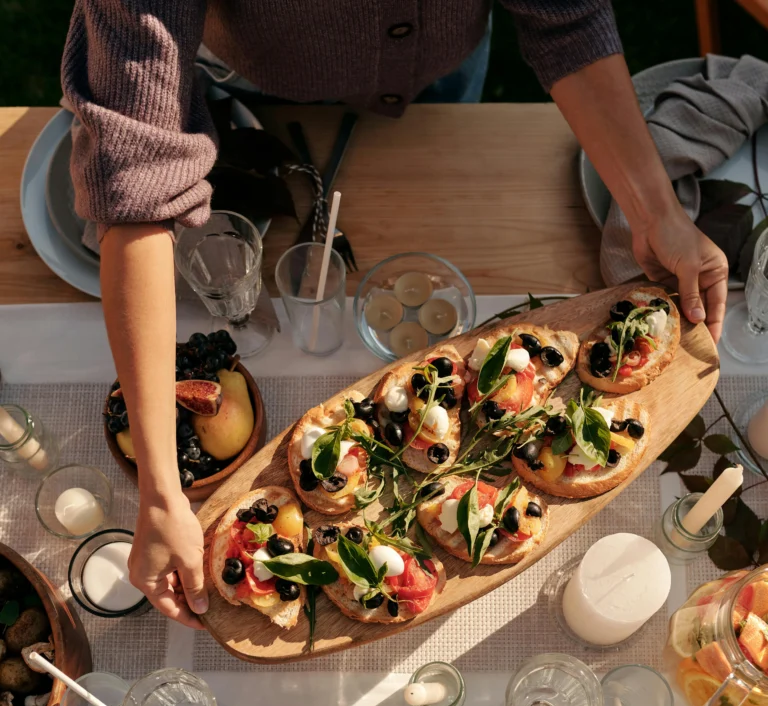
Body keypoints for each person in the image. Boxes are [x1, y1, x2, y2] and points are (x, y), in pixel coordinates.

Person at [62, 0, 728, 628]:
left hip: (437, 86)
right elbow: (136, 176)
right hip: (263, 82)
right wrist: (159, 488)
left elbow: (567, 19)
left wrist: (657, 214)